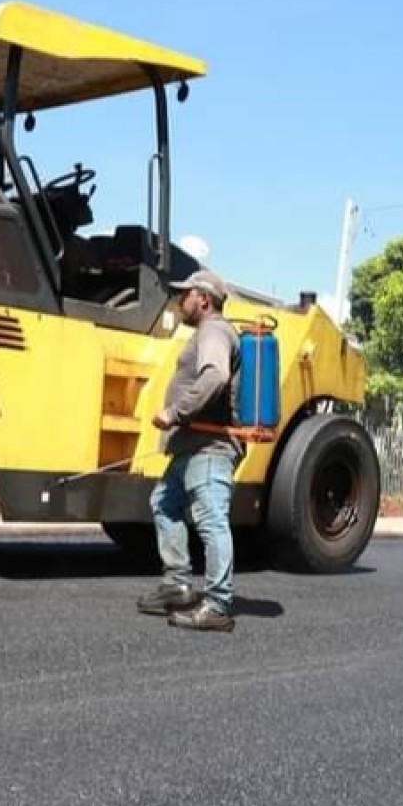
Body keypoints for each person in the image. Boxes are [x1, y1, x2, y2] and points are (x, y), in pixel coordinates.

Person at [137, 269, 241, 632]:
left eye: (186, 294)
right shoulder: (206, 332)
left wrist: (175, 411)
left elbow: (215, 376)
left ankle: (217, 605)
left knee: (212, 520)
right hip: (191, 449)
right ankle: (178, 585)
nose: (180, 300)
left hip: (210, 449)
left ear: (204, 299)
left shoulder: (214, 330)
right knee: (163, 502)